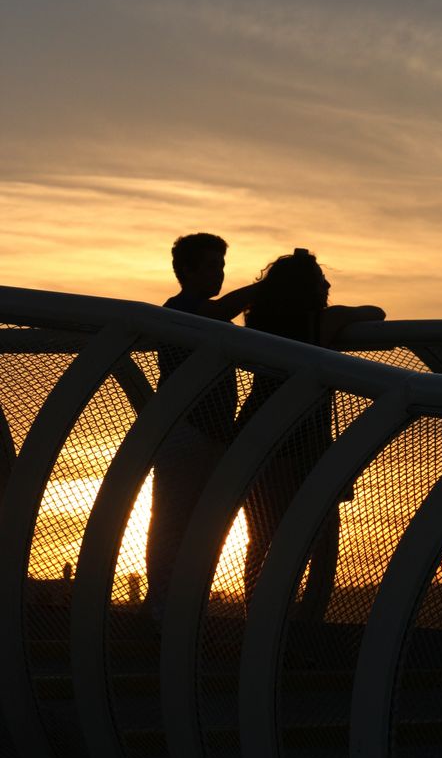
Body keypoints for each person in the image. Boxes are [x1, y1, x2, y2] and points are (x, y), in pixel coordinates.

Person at [237, 248, 385, 611]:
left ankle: (256, 610)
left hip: (256, 434)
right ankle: (295, 616)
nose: (328, 283)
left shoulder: (257, 325)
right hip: (303, 439)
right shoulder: (321, 324)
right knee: (311, 533)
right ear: (308, 288)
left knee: (260, 537)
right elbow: (377, 314)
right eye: (320, 278)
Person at [143, 233, 257, 623]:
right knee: (172, 523)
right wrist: (266, 288)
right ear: (186, 271)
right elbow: (221, 311)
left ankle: (187, 609)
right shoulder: (178, 310)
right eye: (211, 266)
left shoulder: (207, 315)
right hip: (185, 432)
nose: (219, 273)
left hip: (214, 435)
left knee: (204, 528)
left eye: (221, 266)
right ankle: (161, 609)